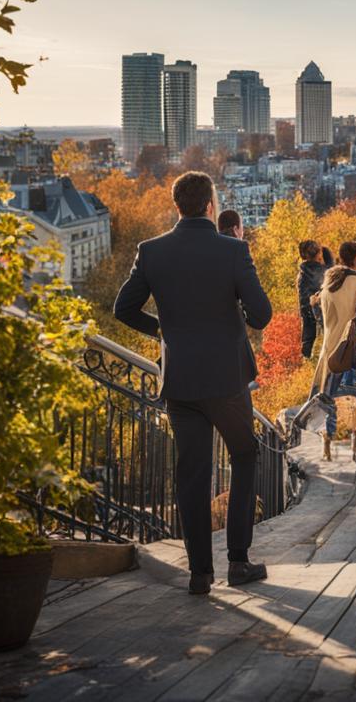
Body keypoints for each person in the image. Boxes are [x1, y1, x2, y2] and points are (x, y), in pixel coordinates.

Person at [113, 171, 272, 596]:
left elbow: (123, 308)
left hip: (180, 379)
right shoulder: (234, 251)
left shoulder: (152, 251)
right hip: (226, 379)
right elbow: (262, 315)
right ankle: (238, 561)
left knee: (192, 474)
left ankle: (200, 572)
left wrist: (165, 332)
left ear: (177, 206)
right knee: (244, 455)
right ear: (210, 206)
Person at [294, 241, 356, 462]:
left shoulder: (329, 286)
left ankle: (327, 445)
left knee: (328, 398)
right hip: (355, 352)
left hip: (331, 351)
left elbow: (320, 316)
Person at [296, 241, 327, 359]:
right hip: (321, 311)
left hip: (307, 312)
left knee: (308, 343)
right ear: (318, 254)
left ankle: (306, 358)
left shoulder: (302, 273)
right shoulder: (323, 271)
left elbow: (303, 297)